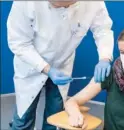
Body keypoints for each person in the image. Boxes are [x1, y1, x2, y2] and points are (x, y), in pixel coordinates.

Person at [7, 1, 114, 130]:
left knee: (56, 117)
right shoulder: (25, 3)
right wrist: (47, 69)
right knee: (24, 116)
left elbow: (102, 29)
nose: (61, 8)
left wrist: (105, 58)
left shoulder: (92, 3)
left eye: (65, 4)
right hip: (31, 66)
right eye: (56, 4)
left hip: (62, 64)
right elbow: (19, 43)